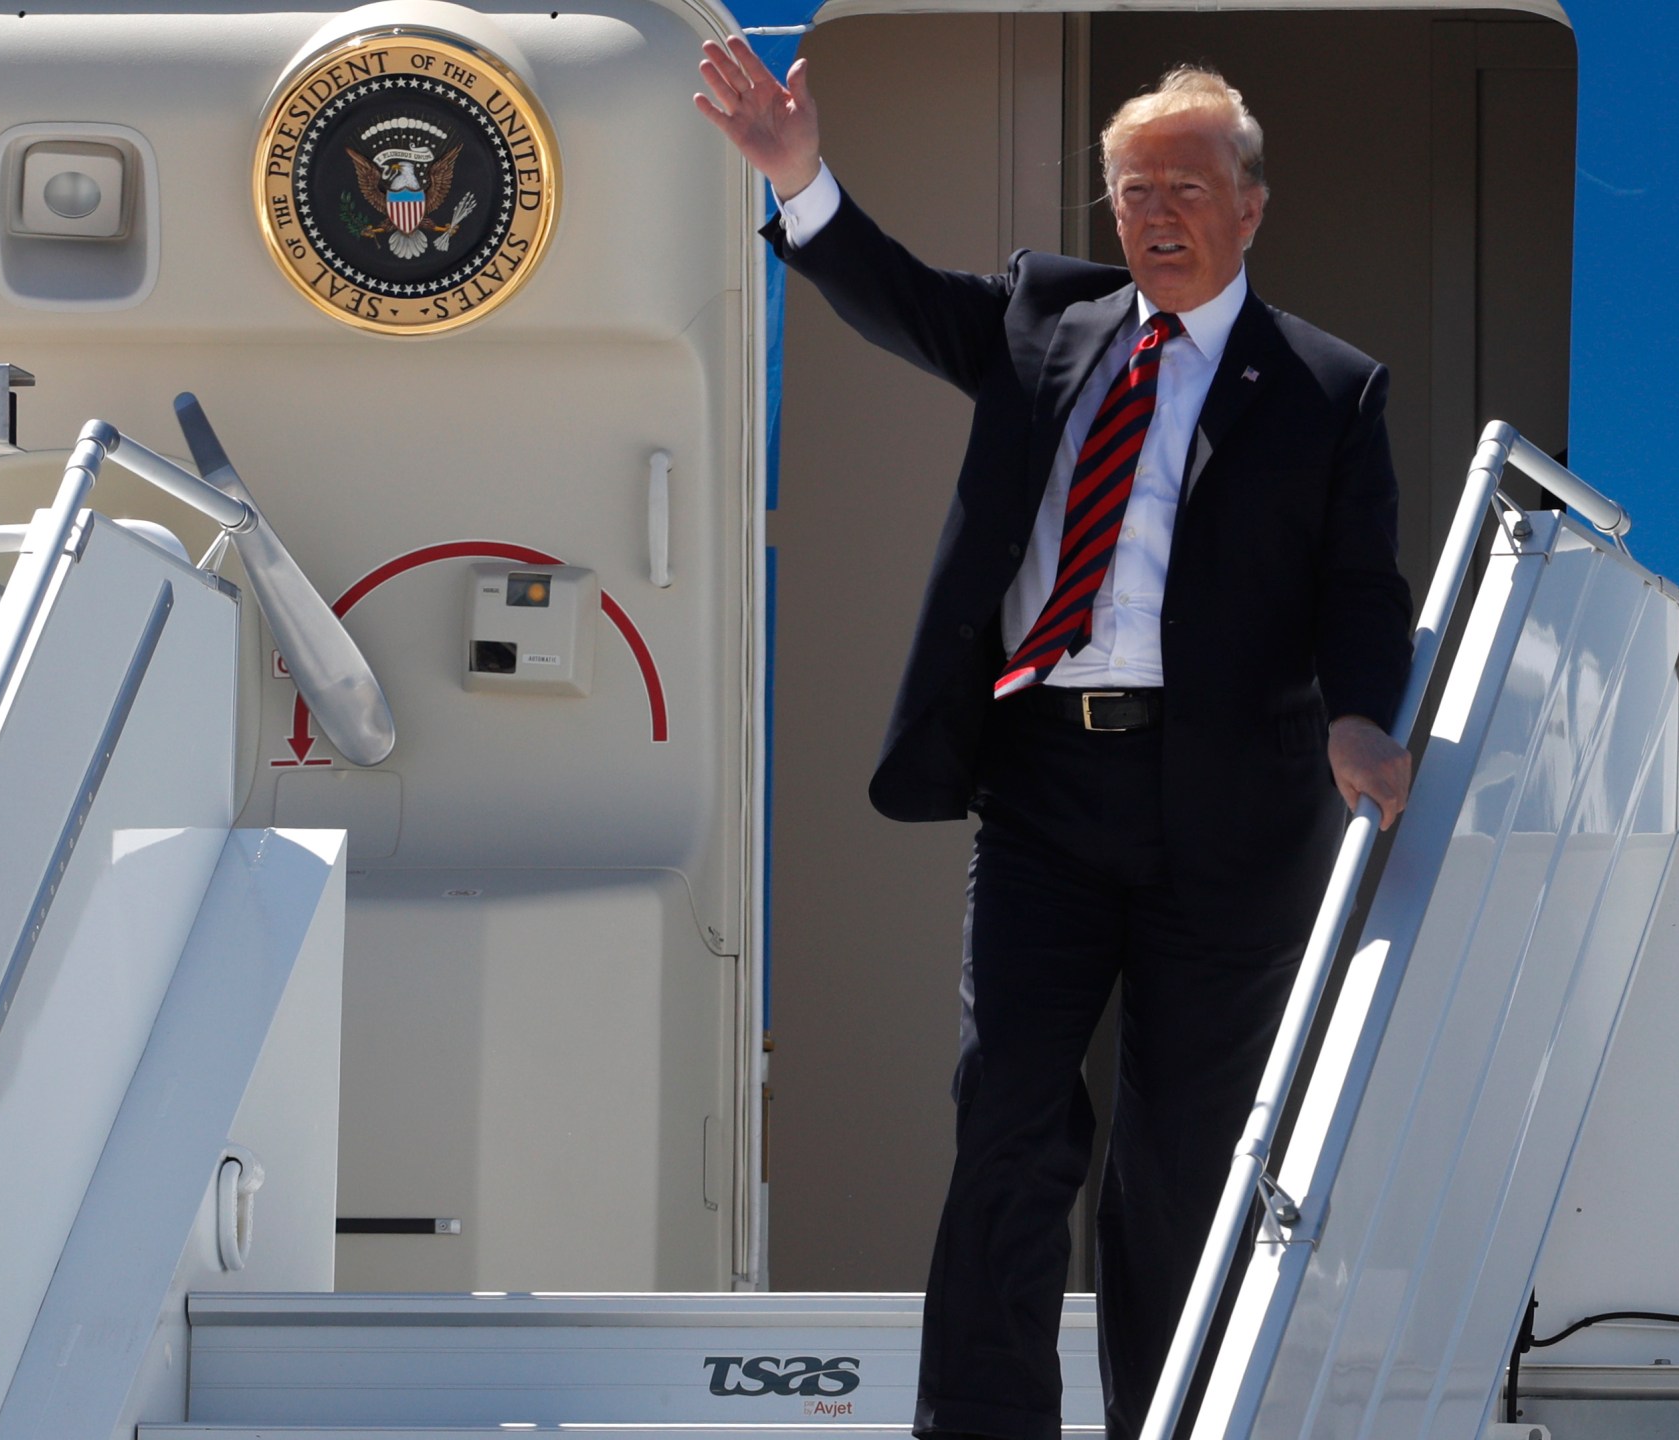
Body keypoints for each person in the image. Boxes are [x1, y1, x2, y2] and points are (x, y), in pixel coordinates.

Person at [695, 40, 1414, 1440]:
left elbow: (1359, 587)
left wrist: (1359, 717)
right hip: (1046, 789)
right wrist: (801, 178)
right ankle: (980, 1424)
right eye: (1134, 189)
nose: (1156, 212)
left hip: (1231, 809)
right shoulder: (1048, 318)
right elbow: (898, 300)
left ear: (1252, 204)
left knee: (1181, 1156)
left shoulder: (1331, 389)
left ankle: (1175, 1421)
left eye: (1187, 187)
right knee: (1011, 1118)